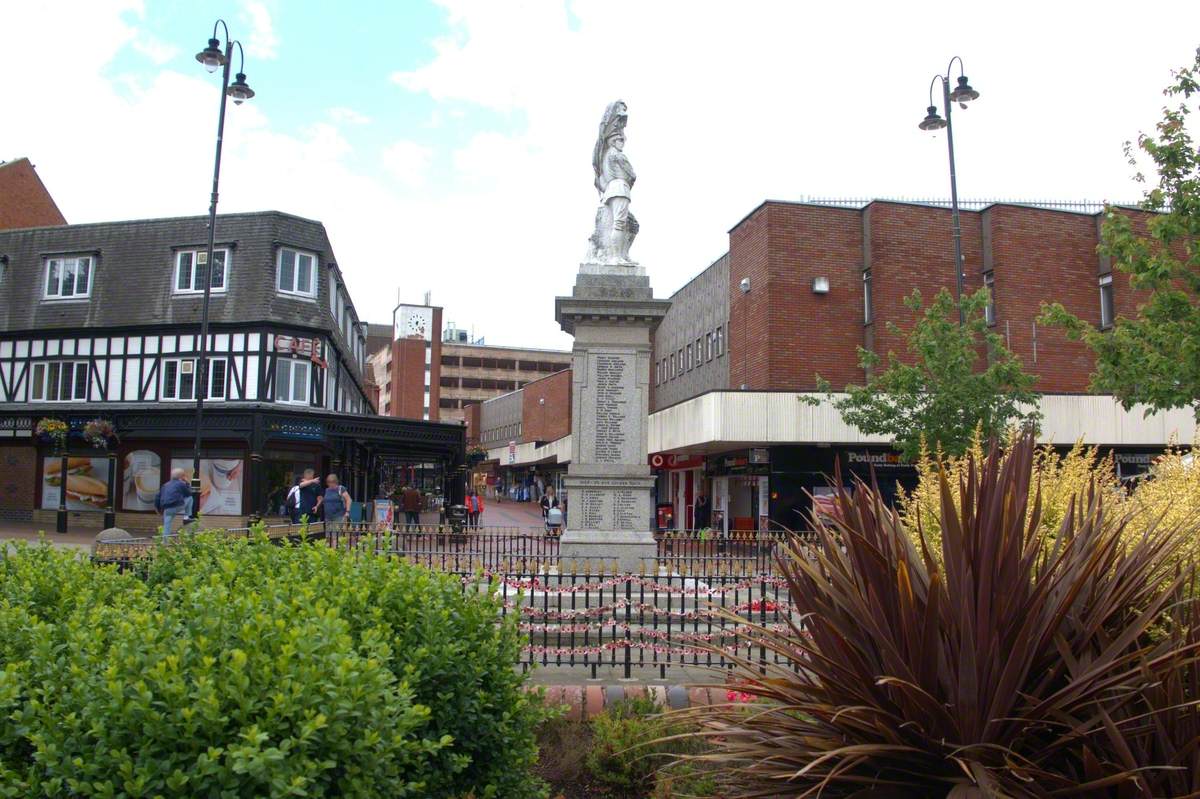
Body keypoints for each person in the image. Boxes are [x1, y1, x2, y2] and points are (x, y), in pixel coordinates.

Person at [154, 468, 193, 542]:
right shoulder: (181, 484)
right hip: (177, 505)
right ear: (182, 476)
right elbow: (188, 493)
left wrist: (157, 509)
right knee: (190, 498)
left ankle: (165, 542)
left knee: (167, 525)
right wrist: (187, 483)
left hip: (167, 508)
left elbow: (157, 497)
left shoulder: (165, 485)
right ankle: (187, 517)